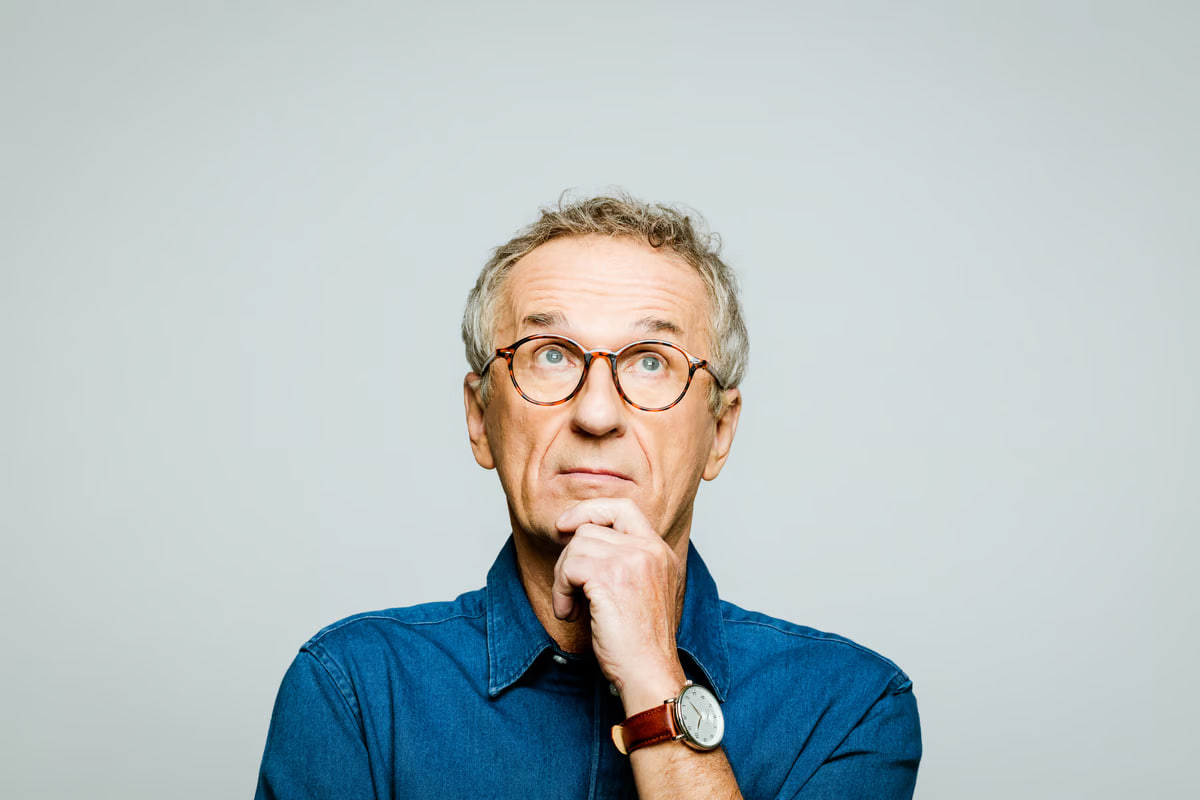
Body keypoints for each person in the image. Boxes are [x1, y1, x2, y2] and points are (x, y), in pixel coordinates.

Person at [254, 194, 922, 799]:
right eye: (550, 354)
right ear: (480, 420)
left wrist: (654, 678)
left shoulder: (851, 705)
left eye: (651, 361)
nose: (597, 414)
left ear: (719, 433)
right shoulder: (355, 689)